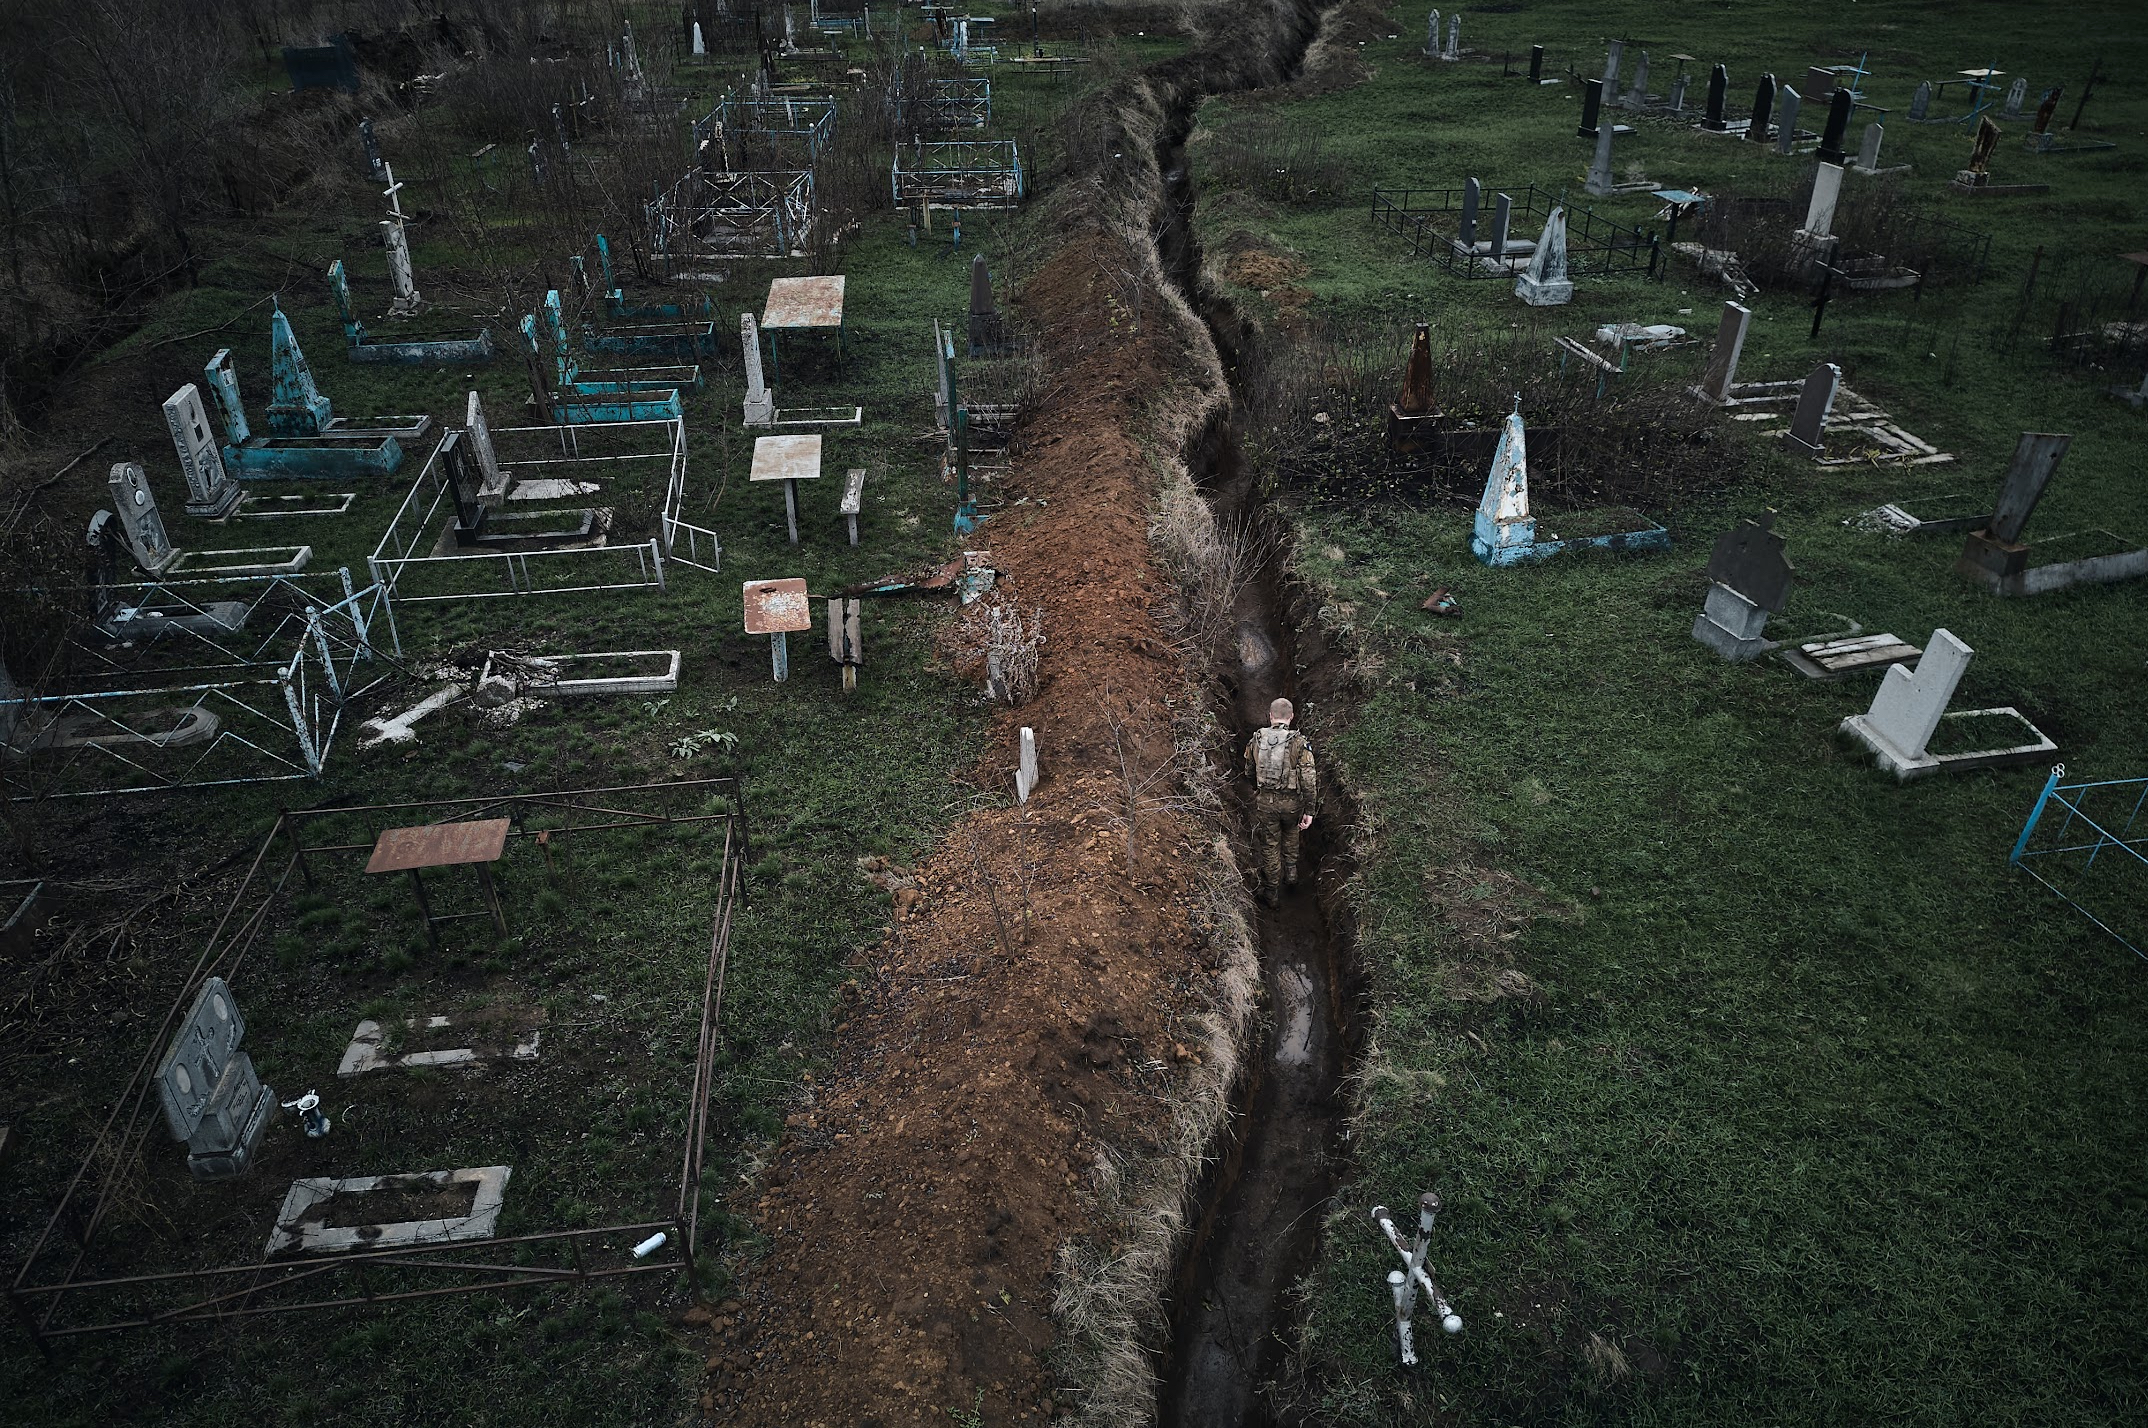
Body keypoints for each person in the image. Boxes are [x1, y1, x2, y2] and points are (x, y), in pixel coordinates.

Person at [1243, 697, 1318, 906]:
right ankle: (1291, 872)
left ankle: (1271, 893)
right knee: (1292, 831)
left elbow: (1249, 770)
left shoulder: (1257, 740)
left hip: (1266, 803)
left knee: (1270, 844)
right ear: (1291, 717)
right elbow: (1309, 780)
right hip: (1293, 803)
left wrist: (1257, 788)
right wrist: (1309, 810)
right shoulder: (1299, 743)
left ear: (1270, 716)